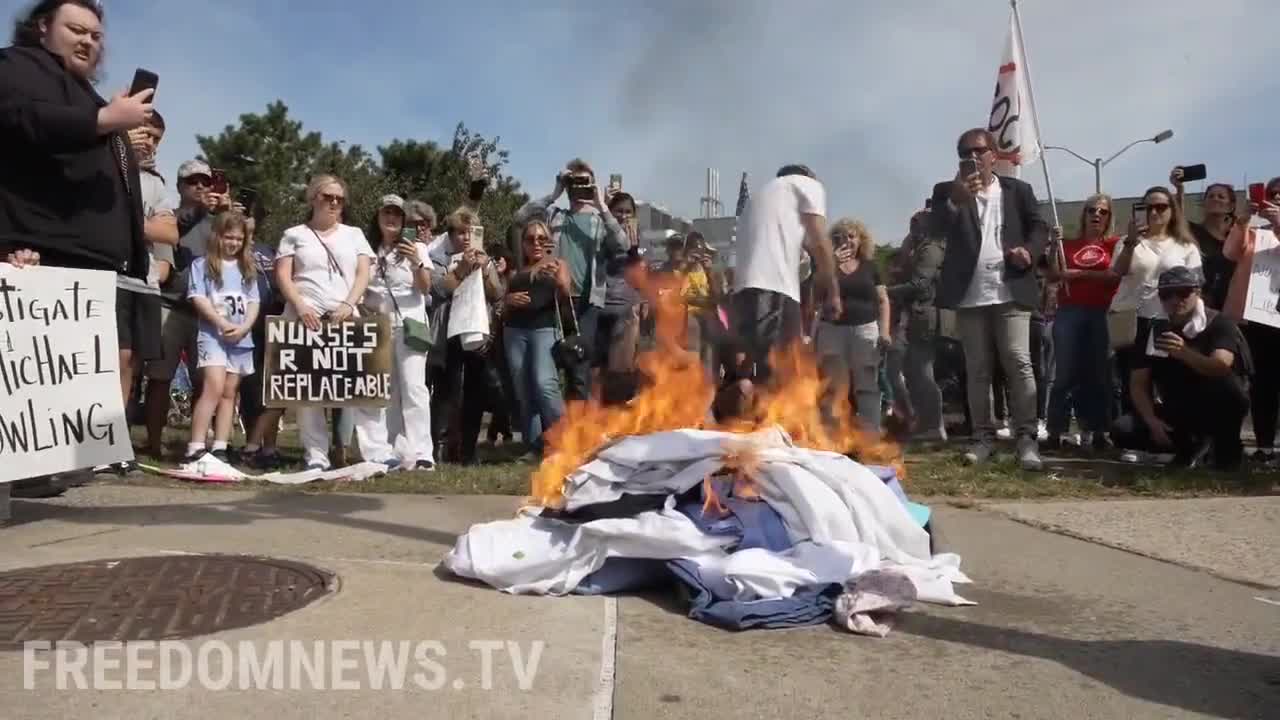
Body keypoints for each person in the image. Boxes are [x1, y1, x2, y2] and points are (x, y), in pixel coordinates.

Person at [930, 128, 1049, 470]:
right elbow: (934, 230)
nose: (972, 158)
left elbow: (1039, 227)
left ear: (993, 155)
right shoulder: (947, 193)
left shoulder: (1018, 191)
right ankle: (982, 437)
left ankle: (1026, 438)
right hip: (970, 293)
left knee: (1017, 359)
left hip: (1011, 288)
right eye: (964, 152)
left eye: (979, 151)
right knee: (978, 369)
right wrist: (956, 200)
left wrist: (1030, 251)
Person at [275, 174, 397, 471]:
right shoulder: (294, 234)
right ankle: (315, 455)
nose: (334, 203)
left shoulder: (354, 234)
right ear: (313, 197)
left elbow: (363, 273)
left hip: (346, 315)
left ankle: (376, 452)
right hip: (306, 316)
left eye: (339, 199)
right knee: (309, 393)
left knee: (363, 387)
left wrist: (348, 303)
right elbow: (283, 275)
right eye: (328, 196)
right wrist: (300, 305)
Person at [1114, 267, 1252, 470]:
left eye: (1183, 293)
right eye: (1167, 294)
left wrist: (1183, 352)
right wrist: (1152, 422)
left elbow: (1221, 365)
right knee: (1123, 429)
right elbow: (1138, 383)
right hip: (1178, 408)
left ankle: (1222, 446)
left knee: (1229, 391)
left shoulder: (1219, 324)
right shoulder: (1155, 329)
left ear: (1197, 293)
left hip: (1216, 406)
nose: (1175, 300)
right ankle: (1190, 448)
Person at [512, 159, 627, 401]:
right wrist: (556, 192)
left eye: (585, 181)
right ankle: (552, 427)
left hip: (586, 304)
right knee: (549, 368)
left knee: (579, 370)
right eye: (574, 182)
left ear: (593, 183)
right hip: (554, 299)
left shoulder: (599, 220)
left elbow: (623, 245)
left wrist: (602, 205)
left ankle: (575, 433)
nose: (579, 187)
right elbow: (520, 217)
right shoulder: (555, 216)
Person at [729, 164, 839, 388]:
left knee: (772, 367)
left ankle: (750, 413)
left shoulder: (762, 197)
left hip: (748, 290)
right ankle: (765, 417)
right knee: (780, 369)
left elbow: (799, 251)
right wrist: (833, 290)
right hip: (772, 287)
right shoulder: (808, 185)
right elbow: (818, 237)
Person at [1110, 185, 1201, 422]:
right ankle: (1134, 435)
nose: (1154, 212)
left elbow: (1196, 285)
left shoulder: (1185, 246)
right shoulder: (1127, 242)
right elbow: (1117, 272)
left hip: (1167, 321)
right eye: (1147, 207)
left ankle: (1168, 434)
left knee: (1167, 380)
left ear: (1172, 210)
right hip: (1132, 319)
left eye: (1161, 207)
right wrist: (1131, 242)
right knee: (1132, 380)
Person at [361, 195, 436, 470]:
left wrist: (416, 260)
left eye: (396, 214)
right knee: (385, 391)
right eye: (386, 213)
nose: (391, 218)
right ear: (378, 218)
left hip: (410, 324)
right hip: (377, 326)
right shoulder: (368, 249)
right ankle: (391, 449)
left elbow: (426, 288)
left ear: (404, 219)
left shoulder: (416, 247)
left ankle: (422, 452)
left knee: (414, 387)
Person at [426, 207, 504, 464]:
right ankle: (439, 447)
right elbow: (438, 289)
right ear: (450, 234)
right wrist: (461, 268)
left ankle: (468, 450)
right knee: (446, 391)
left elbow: (496, 294)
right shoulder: (438, 256)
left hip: (476, 331)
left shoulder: (485, 259)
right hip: (448, 331)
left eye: (471, 232)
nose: (466, 238)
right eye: (460, 233)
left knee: (475, 391)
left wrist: (483, 269)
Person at [1043, 196, 1122, 451]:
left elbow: (1114, 276)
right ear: (1084, 214)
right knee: (1065, 372)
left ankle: (1098, 430)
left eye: (1103, 211)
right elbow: (1054, 275)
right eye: (1091, 210)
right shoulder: (1069, 244)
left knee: (1100, 373)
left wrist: (1080, 274)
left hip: (1103, 312)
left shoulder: (1114, 244)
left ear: (1109, 217)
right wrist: (1055, 247)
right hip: (1070, 311)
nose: (1096, 215)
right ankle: (1056, 430)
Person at [184, 212, 259, 462]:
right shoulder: (202, 265)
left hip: (240, 337)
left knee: (230, 391)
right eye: (229, 237)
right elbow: (199, 298)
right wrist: (221, 323)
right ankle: (195, 445)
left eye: (239, 238)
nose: (233, 243)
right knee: (213, 386)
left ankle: (220, 445)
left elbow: (253, 301)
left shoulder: (246, 267)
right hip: (212, 334)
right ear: (218, 236)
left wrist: (245, 327)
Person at [1222, 176, 1280, 463]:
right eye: (1273, 194)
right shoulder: (1256, 232)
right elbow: (1230, 252)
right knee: (1263, 385)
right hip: (1256, 320)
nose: (1277, 198)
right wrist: (1243, 221)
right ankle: (1265, 446)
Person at [814, 218, 891, 433]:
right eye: (839, 236)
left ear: (861, 240)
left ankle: (870, 438)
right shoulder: (826, 265)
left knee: (867, 386)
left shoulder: (870, 267)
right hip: (832, 331)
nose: (846, 240)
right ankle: (832, 439)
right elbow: (815, 295)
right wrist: (830, 267)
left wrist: (884, 331)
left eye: (851, 236)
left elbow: (883, 300)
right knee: (833, 387)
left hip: (865, 330)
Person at [503, 220, 571, 457]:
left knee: (544, 384)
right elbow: (501, 302)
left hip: (544, 330)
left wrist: (555, 277)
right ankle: (534, 446)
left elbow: (566, 291)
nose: (536, 243)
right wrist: (507, 301)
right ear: (523, 244)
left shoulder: (557, 264)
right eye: (530, 239)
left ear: (549, 240)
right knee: (523, 389)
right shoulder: (515, 271)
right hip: (514, 331)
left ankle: (566, 439)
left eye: (541, 238)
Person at [886, 211, 947, 441]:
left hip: (924, 316)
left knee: (922, 372)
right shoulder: (920, 248)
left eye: (916, 223)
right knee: (914, 371)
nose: (912, 228)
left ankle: (933, 425)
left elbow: (920, 283)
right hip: (916, 315)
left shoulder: (930, 249)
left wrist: (886, 292)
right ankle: (925, 423)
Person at [1171, 167, 1235, 310]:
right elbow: (1177, 219)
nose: (1215, 199)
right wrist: (1179, 190)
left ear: (1231, 206)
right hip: (1199, 307)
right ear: (1204, 202)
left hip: (1229, 308)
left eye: (1221, 197)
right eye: (1210, 196)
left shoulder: (1237, 238)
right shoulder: (1193, 231)